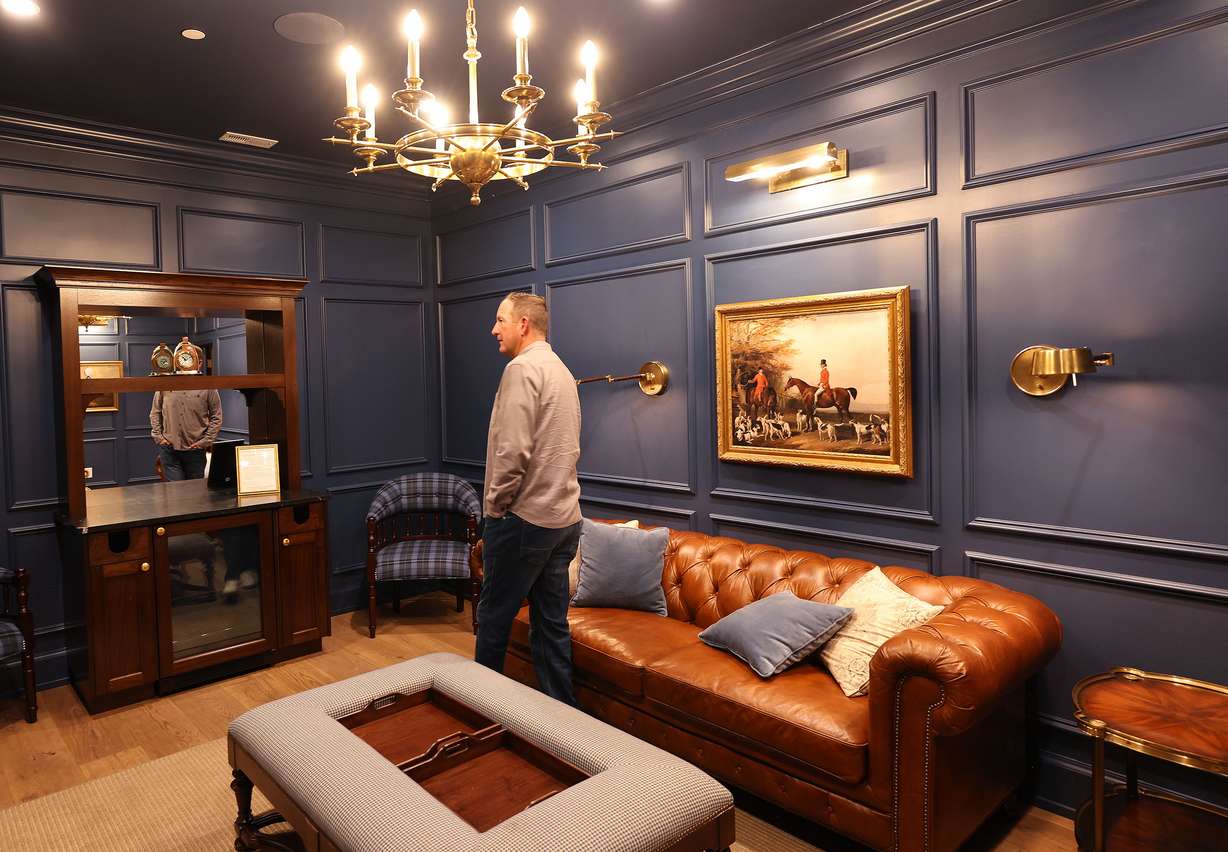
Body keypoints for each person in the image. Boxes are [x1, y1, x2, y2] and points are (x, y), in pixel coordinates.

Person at [474, 292, 582, 706]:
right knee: (551, 626)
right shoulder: (560, 370)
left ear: (523, 324)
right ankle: (565, 721)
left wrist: (496, 509)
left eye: (500, 320)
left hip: (524, 520)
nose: (494, 329)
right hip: (564, 520)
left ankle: (480, 714)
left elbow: (512, 452)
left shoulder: (521, 370)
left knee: (493, 621)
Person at [150, 389, 222, 480]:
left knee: (195, 491)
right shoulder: (164, 386)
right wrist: (159, 437)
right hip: (169, 449)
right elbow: (155, 413)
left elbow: (216, 416)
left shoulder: (208, 388)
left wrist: (206, 441)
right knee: (175, 491)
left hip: (196, 450)